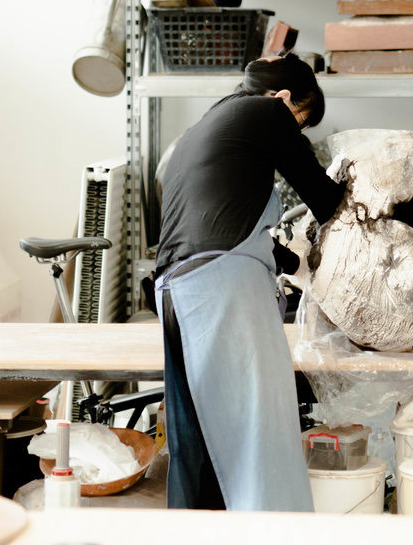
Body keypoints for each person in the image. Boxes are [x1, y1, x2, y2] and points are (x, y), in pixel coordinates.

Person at [155, 53, 343, 511]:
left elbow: (222, 216)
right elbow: (324, 197)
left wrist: (290, 260)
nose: (295, 132)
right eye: (300, 120)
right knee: (259, 432)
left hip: (177, 290)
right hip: (223, 288)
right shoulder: (267, 112)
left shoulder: (205, 125)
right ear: (283, 98)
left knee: (200, 441)